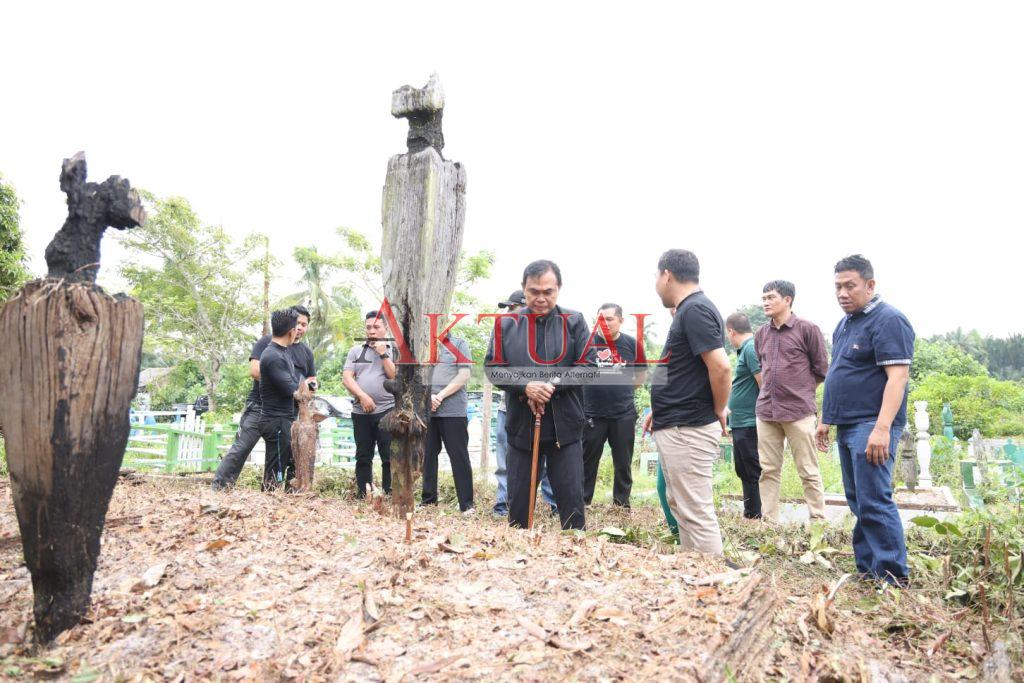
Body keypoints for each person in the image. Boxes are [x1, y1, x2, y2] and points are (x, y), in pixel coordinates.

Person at [817, 255, 914, 585]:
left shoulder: (889, 320)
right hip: (847, 424)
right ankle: (868, 570)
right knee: (858, 500)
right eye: (838, 287)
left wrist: (882, 428)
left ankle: (892, 577)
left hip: (871, 425)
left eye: (850, 286)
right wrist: (826, 419)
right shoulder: (845, 324)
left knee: (874, 499)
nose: (842, 293)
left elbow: (897, 377)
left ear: (870, 286)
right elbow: (840, 373)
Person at [485, 260, 591, 530]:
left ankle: (575, 556)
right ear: (523, 288)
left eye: (548, 291)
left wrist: (549, 384)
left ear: (559, 289)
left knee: (572, 507)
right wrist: (526, 386)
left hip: (565, 428)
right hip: (522, 426)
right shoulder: (505, 326)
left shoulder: (575, 321)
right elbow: (493, 368)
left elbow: (588, 367)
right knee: (519, 510)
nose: (541, 298)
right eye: (534, 291)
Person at [643, 249, 731, 555]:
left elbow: (720, 367)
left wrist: (720, 408)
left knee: (695, 510)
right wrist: (660, 407)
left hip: (688, 427)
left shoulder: (694, 310)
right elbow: (688, 372)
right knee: (681, 506)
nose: (655, 283)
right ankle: (694, 578)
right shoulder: (689, 311)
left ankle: (715, 586)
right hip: (677, 423)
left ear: (667, 274)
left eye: (656, 276)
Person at [212, 305, 315, 490]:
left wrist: (307, 387)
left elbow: (311, 380)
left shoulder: (305, 352)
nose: (300, 327)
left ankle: (283, 492)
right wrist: (286, 383)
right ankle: (220, 487)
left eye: (304, 324)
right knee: (242, 447)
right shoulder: (268, 343)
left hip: (287, 410)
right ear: (289, 325)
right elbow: (255, 370)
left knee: (285, 455)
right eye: (297, 323)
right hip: (260, 405)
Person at [754, 280, 829, 522]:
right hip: (766, 412)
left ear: (787, 300)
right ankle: (769, 524)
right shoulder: (761, 334)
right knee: (767, 471)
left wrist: (800, 390)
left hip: (798, 412)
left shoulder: (807, 329)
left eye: (771, 297)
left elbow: (821, 370)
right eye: (764, 297)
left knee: (808, 470)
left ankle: (818, 523)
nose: (765, 302)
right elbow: (762, 366)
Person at [492, 290, 557, 517]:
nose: (509, 313)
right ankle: (504, 504)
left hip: (544, 408)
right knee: (506, 460)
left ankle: (553, 505)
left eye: (513, 308)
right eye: (508, 309)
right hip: (508, 409)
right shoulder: (505, 335)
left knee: (547, 460)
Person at [582, 303, 645, 507]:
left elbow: (640, 378)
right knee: (587, 462)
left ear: (620, 320)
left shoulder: (632, 345)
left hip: (623, 414)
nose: (605, 323)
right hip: (592, 413)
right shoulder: (586, 344)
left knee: (623, 463)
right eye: (601, 319)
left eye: (609, 319)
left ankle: (621, 504)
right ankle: (583, 503)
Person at [258, 308, 316, 490]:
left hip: (285, 419)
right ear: (290, 331)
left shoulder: (282, 352)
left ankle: (284, 504)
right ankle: (268, 508)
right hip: (275, 420)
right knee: (275, 472)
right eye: (296, 326)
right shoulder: (273, 356)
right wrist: (304, 387)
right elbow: (294, 391)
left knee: (286, 464)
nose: (299, 330)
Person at [343, 311, 397, 497]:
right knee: (363, 456)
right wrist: (363, 396)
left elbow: (394, 376)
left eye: (376, 327)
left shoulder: (393, 349)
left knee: (388, 456)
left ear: (385, 328)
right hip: (360, 411)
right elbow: (347, 378)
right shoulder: (356, 351)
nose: (371, 331)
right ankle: (363, 494)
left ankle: (389, 495)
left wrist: (383, 354)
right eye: (368, 327)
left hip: (387, 411)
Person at [422, 331, 475, 513]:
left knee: (458, 456)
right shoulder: (423, 344)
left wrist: (440, 396)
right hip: (427, 410)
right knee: (428, 456)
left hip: (453, 410)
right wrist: (428, 397)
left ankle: (466, 505)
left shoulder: (459, 343)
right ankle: (428, 501)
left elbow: (464, 374)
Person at [725, 311, 762, 519]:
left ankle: (754, 515)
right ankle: (750, 513)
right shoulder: (745, 350)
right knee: (743, 469)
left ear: (731, 331)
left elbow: (762, 383)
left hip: (749, 421)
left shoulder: (750, 348)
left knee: (751, 470)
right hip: (740, 422)